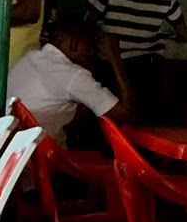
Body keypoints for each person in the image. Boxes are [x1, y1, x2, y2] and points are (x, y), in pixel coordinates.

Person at [86, 0, 187, 124]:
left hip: (110, 70)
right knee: (142, 128)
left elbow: (88, 27)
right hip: (148, 73)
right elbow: (184, 35)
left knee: (110, 128)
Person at [7, 17, 136, 147]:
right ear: (74, 45)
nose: (91, 56)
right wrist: (116, 59)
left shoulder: (30, 57)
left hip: (14, 147)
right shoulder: (73, 75)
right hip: (42, 151)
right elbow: (128, 115)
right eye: (90, 49)